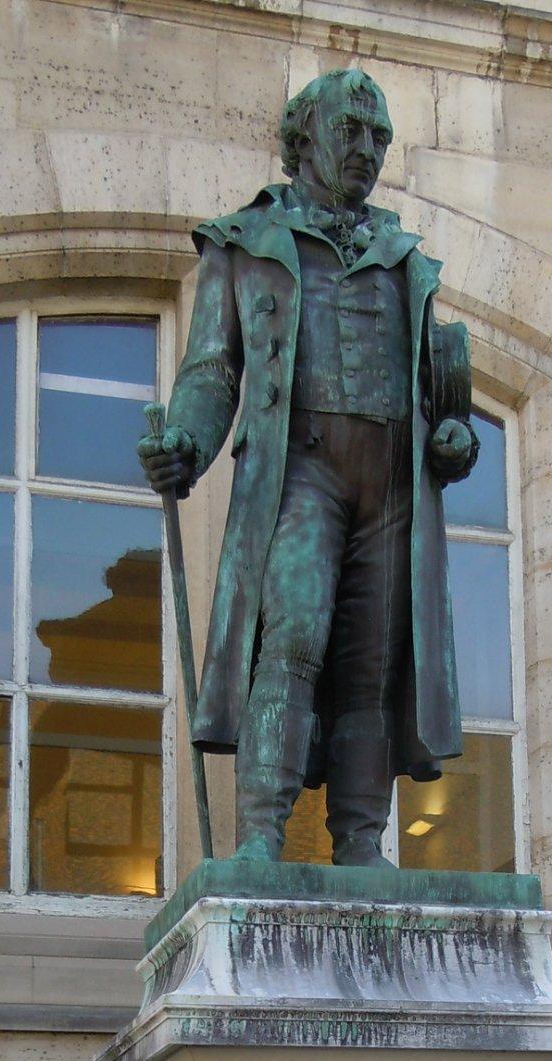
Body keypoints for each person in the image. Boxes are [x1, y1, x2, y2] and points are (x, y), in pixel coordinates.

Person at [138, 67, 479, 867]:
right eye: (351, 133)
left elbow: (440, 396)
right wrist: (184, 443)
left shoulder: (404, 256)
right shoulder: (245, 241)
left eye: (380, 137)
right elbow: (213, 371)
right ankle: (260, 832)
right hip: (305, 476)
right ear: (303, 140)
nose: (368, 151)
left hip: (393, 485)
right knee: (288, 644)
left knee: (373, 668)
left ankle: (362, 843)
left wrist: (453, 437)